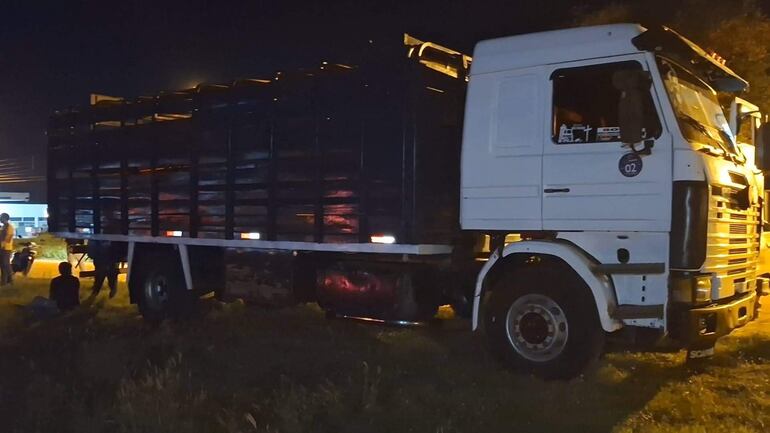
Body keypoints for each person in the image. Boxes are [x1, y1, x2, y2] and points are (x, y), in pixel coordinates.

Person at [0, 213, 14, 286]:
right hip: (2, 248)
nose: (0, 219)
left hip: (6, 248)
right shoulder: (3, 227)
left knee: (6, 264)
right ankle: (3, 281)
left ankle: (10, 280)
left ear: (5, 218)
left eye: (1, 217)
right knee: (2, 265)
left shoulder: (9, 227)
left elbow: (8, 239)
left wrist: (2, 244)